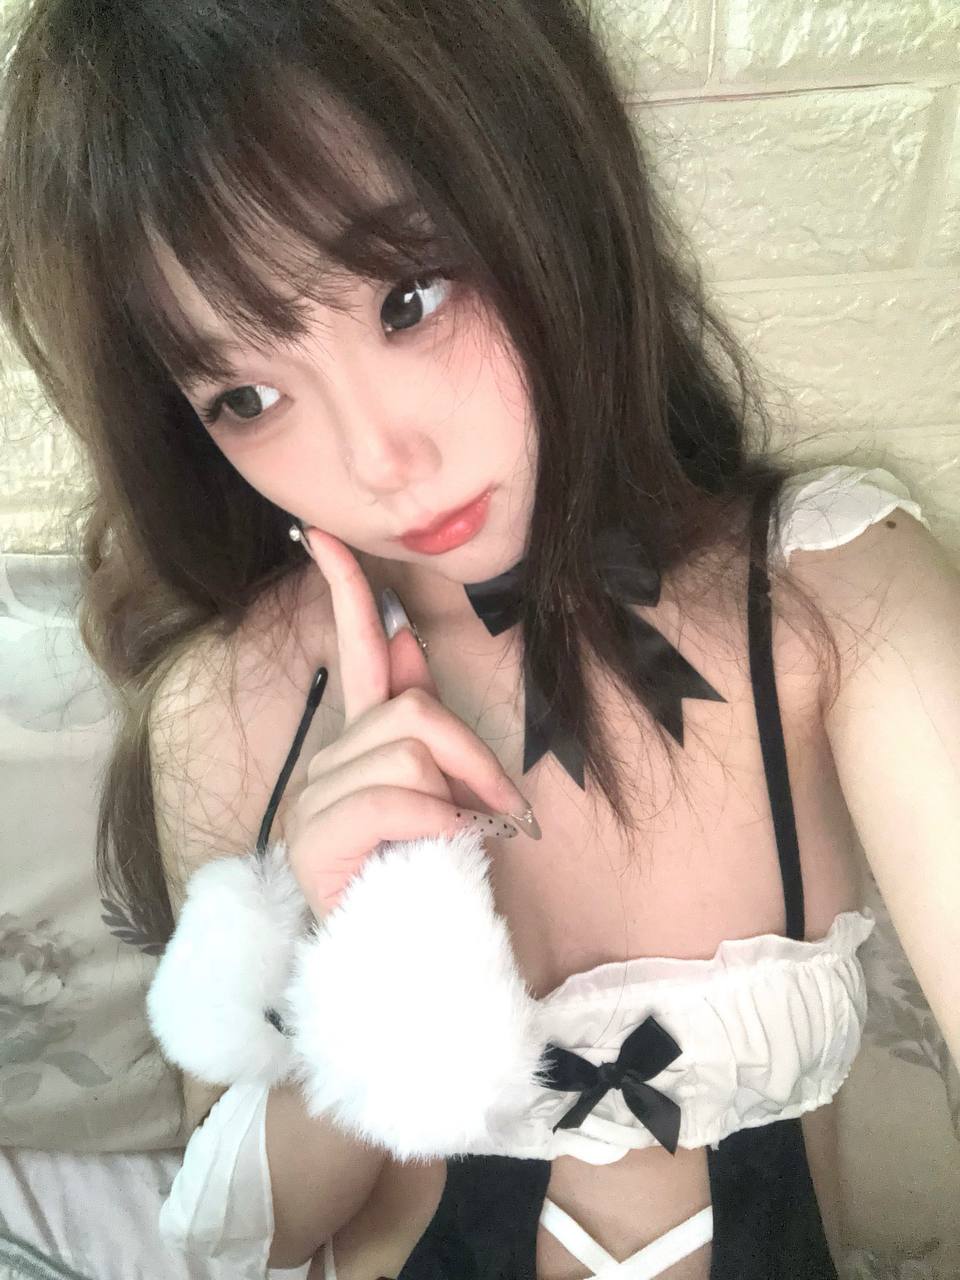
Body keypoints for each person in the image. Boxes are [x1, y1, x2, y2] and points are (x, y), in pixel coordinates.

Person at [1, 1, 958, 1277]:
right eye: (248, 394)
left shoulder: (832, 595)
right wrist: (364, 952)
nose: (376, 458)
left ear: (546, 185)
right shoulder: (239, 700)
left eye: (409, 297)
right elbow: (242, 1233)